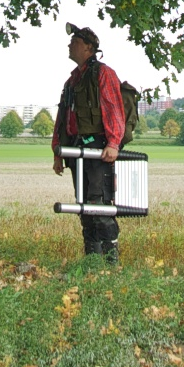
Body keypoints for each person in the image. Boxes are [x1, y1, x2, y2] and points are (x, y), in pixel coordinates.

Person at [52, 23, 124, 263]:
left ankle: (110, 261)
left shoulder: (103, 73)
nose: (69, 45)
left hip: (98, 150)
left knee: (99, 204)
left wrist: (113, 143)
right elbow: (62, 119)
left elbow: (113, 108)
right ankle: (92, 260)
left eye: (75, 42)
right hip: (76, 150)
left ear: (89, 48)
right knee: (83, 206)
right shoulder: (71, 81)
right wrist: (58, 153)